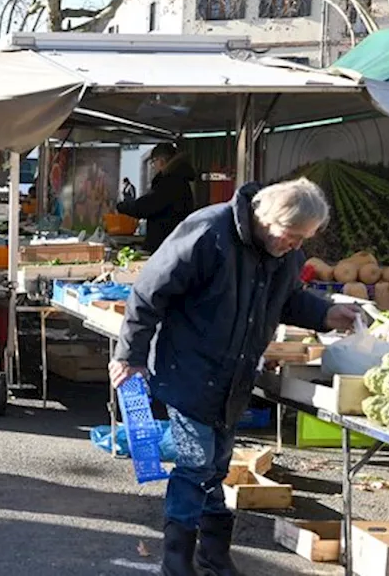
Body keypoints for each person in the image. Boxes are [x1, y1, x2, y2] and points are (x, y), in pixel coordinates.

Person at [110, 178, 362, 575]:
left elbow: (286, 299)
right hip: (189, 367)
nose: (296, 245)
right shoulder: (209, 231)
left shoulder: (284, 252)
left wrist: (324, 314)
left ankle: (213, 555)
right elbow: (148, 291)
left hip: (235, 376)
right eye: (292, 235)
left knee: (217, 466)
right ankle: (176, 561)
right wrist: (131, 354)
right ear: (265, 218)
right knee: (196, 464)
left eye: (303, 239)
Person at [116, 143, 196, 253]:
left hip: (165, 247)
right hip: (176, 243)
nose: (153, 167)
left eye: (154, 162)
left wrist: (121, 206)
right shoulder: (181, 179)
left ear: (161, 160)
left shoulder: (170, 181)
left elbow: (146, 206)